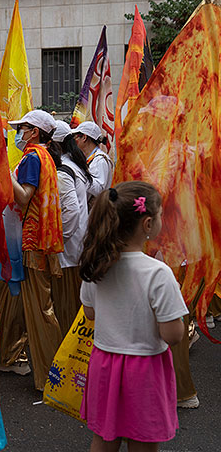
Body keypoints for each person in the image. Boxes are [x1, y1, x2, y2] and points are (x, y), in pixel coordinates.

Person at [79, 181, 187, 451]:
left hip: (104, 363)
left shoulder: (97, 264)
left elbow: (89, 313)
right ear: (148, 224)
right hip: (145, 369)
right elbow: (172, 334)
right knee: (143, 441)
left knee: (104, 438)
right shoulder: (158, 273)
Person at [0, 109, 64, 389]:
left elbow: (24, 197)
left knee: (41, 309)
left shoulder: (33, 157)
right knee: (20, 303)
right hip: (36, 239)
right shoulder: (44, 155)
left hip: (31, 240)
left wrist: (4, 171)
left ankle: (52, 376)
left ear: (34, 131)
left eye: (22, 127)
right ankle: (7, 356)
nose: (18, 132)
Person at [48, 120, 92, 335]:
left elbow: (71, 212)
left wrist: (57, 240)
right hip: (76, 245)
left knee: (66, 307)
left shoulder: (62, 171)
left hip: (67, 250)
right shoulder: (76, 165)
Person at [72, 121, 113, 200]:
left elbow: (99, 190)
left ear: (84, 137)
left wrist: (80, 174)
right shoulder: (89, 158)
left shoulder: (100, 160)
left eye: (76, 137)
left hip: (97, 210)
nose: (74, 140)